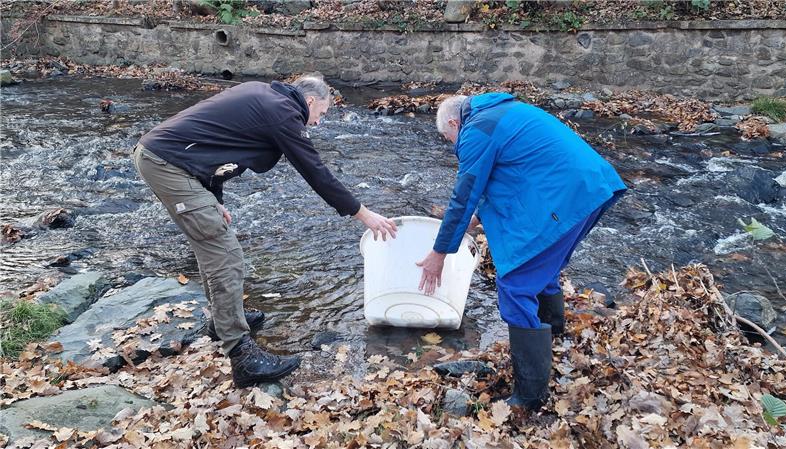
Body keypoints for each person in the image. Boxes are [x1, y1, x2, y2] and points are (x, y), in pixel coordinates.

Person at [132, 75, 397, 388]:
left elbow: (217, 149)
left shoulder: (266, 96)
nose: (317, 123)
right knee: (225, 252)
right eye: (321, 115)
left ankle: (223, 321)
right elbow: (315, 171)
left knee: (213, 240)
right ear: (310, 101)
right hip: (167, 164)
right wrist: (363, 214)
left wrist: (214, 201)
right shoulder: (284, 112)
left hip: (169, 160)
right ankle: (242, 356)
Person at [417, 93, 626, 410]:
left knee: (514, 285)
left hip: (569, 195)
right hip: (591, 186)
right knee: (541, 271)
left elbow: (464, 195)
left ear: (453, 122)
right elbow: (516, 171)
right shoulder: (502, 112)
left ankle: (529, 397)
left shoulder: (477, 130)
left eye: (449, 139)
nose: (452, 145)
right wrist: (479, 217)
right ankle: (554, 340)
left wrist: (439, 254)